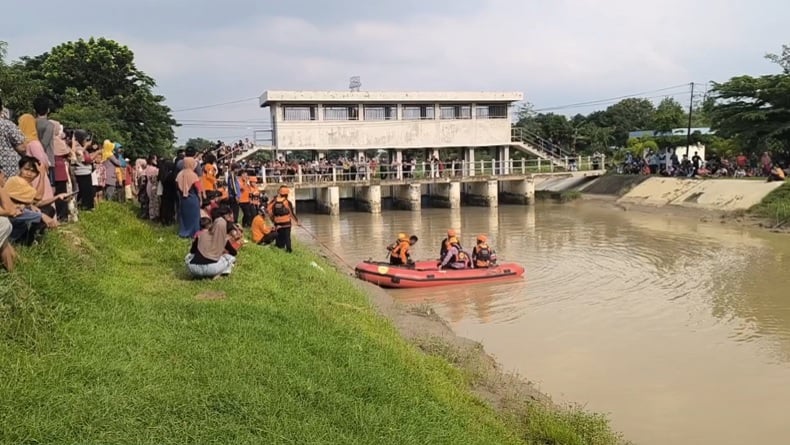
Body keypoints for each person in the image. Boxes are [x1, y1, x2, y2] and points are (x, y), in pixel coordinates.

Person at [185, 206, 237, 279]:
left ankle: (198, 276)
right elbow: (234, 253)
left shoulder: (201, 235)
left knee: (188, 256)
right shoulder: (224, 239)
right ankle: (221, 273)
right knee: (230, 258)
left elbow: (192, 251)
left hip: (194, 269)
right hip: (213, 269)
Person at [266, 185, 299, 253]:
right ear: (287, 194)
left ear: (279, 192)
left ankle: (279, 246)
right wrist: (297, 222)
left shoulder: (274, 201)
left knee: (278, 236)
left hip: (277, 222)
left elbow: (268, 210)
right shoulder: (287, 202)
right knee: (287, 237)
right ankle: (289, 250)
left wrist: (273, 219)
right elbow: (291, 214)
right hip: (286, 223)